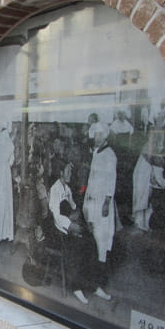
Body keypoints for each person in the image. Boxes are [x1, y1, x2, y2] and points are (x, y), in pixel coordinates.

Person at [48, 162, 111, 304]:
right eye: (68, 172)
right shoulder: (55, 190)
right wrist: (71, 226)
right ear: (61, 173)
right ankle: (77, 287)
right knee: (80, 246)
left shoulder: (67, 189)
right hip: (61, 231)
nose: (71, 174)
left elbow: (74, 207)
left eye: (71, 172)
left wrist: (80, 220)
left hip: (72, 225)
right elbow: (56, 216)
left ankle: (94, 285)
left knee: (91, 242)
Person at [83, 122, 117, 267]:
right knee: (93, 229)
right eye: (95, 135)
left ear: (104, 136)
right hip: (93, 197)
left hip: (102, 199)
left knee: (102, 233)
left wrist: (107, 202)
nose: (97, 138)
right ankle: (92, 262)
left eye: (99, 135)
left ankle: (100, 264)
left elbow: (111, 179)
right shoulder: (97, 152)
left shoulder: (109, 155)